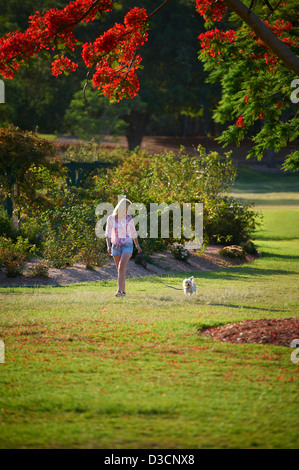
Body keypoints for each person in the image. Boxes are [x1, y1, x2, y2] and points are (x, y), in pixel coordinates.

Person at [105, 198, 142, 297]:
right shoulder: (111, 218)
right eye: (127, 208)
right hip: (116, 246)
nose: (128, 211)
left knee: (121, 267)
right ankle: (123, 291)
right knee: (120, 269)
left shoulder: (129, 218)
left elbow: (133, 233)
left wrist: (137, 245)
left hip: (127, 245)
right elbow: (108, 234)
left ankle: (119, 291)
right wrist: (108, 246)